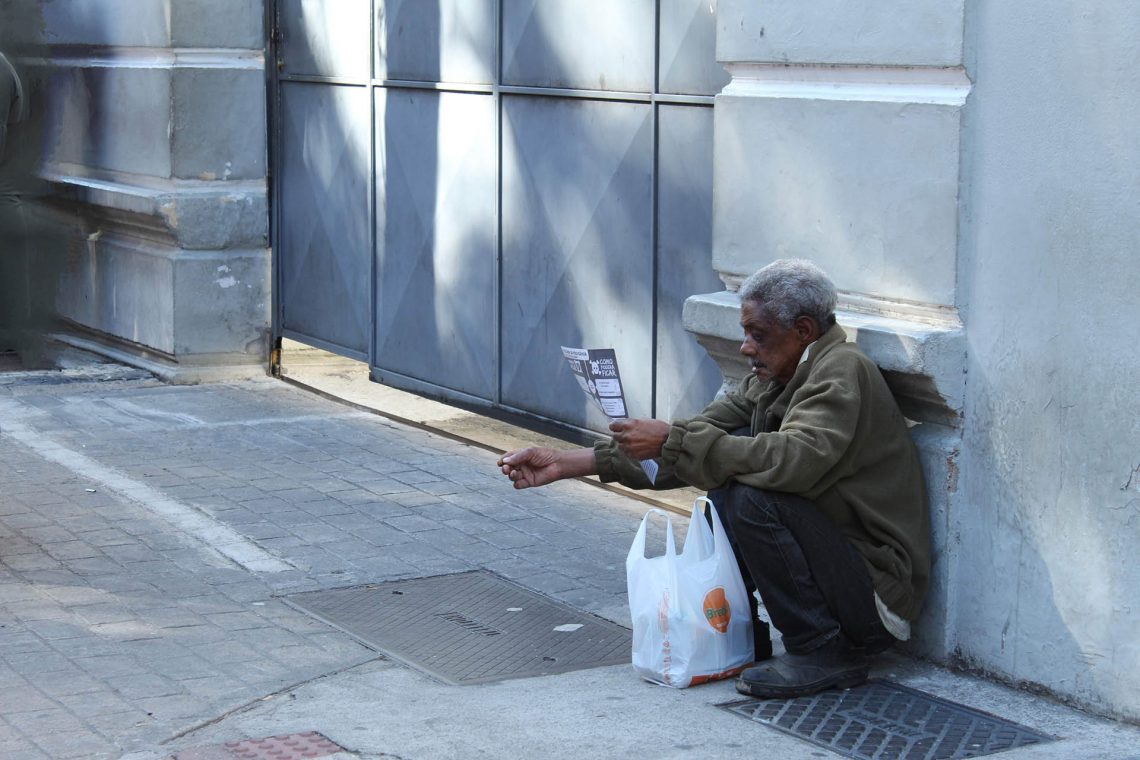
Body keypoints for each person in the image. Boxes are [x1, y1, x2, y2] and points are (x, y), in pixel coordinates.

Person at [497, 259, 931, 699]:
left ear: (802, 330)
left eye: (757, 334)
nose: (745, 347)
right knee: (731, 465)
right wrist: (565, 462)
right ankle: (742, 628)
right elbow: (697, 438)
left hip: (876, 603)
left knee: (750, 491)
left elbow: (796, 459)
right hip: (841, 574)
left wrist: (674, 441)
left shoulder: (841, 370)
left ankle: (822, 649)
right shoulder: (776, 376)